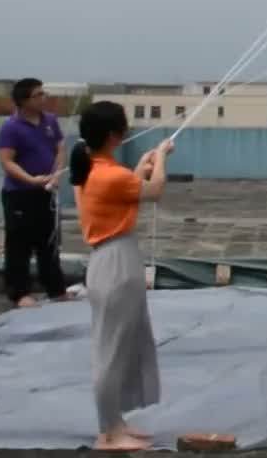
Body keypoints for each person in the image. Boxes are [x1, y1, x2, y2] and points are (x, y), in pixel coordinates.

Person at [72, 101, 172, 452]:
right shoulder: (109, 175)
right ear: (115, 134)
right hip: (115, 260)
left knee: (120, 344)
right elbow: (154, 191)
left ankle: (114, 422)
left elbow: (125, 191)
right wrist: (160, 158)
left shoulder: (92, 169)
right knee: (111, 349)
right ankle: (108, 433)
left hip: (111, 257)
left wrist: (141, 168)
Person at [0, 76, 72, 307]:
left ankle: (56, 289)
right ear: (23, 101)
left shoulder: (50, 121)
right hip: (19, 195)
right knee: (19, 245)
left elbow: (59, 149)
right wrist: (31, 180)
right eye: (37, 95)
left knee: (49, 243)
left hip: (46, 193)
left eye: (43, 93)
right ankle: (19, 293)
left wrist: (56, 173)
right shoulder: (10, 128)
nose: (43, 98)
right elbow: (7, 162)